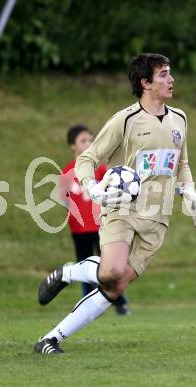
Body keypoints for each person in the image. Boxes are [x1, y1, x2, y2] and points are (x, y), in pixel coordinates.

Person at [34, 53, 196, 354]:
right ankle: (68, 274)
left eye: (170, 73)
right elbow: (87, 159)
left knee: (117, 284)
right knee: (111, 270)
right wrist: (92, 188)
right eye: (163, 74)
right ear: (145, 83)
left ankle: (51, 338)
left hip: (158, 217)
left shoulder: (180, 118)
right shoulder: (124, 120)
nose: (171, 79)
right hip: (122, 209)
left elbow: (182, 163)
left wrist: (189, 191)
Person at [60, 124, 130, 315]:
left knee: (109, 265)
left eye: (91, 140)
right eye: (83, 141)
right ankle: (86, 306)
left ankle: (120, 302)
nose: (88, 143)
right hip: (79, 230)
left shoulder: (99, 170)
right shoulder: (67, 172)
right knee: (84, 264)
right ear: (72, 146)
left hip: (101, 225)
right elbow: (64, 199)